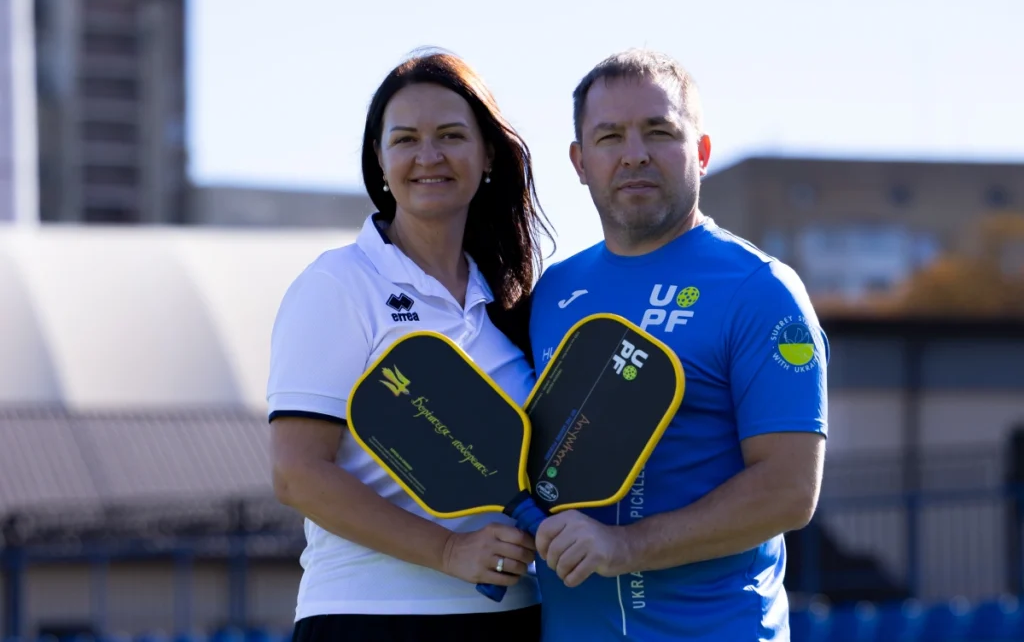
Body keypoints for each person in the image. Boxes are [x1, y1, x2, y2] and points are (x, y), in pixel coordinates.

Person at [527, 49, 829, 640]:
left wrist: (624, 546)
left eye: (659, 131)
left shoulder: (761, 290)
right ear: (580, 161)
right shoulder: (552, 292)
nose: (634, 153)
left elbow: (789, 490)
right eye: (609, 136)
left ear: (702, 152)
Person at [267, 49, 553, 642]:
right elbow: (297, 473)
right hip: (370, 619)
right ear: (380, 159)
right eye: (405, 140)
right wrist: (449, 551)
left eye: (451, 135)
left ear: (489, 154)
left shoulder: (515, 302)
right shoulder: (338, 284)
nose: (429, 156)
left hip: (516, 615)